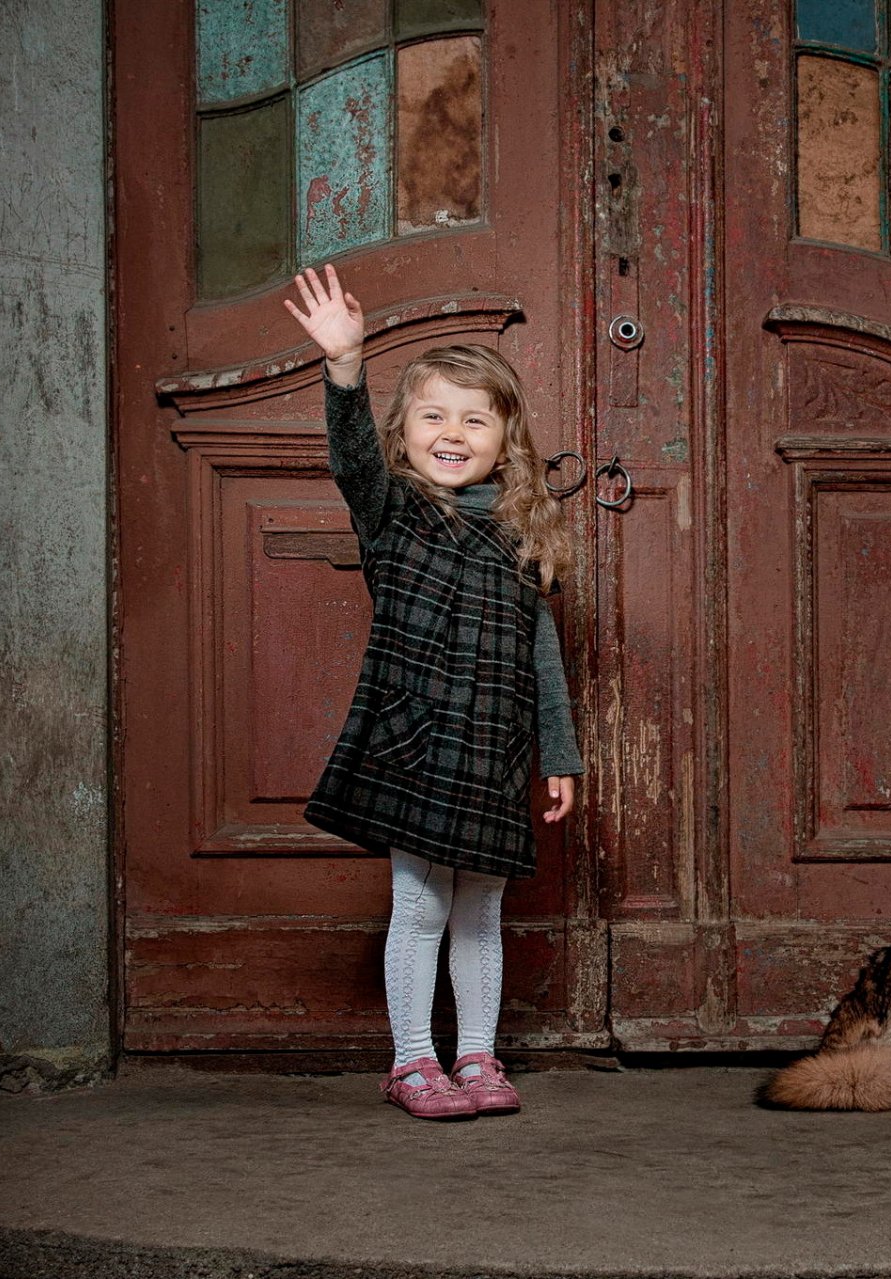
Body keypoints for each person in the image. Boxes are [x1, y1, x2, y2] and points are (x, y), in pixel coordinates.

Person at [285, 264, 583, 1120]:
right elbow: (349, 457)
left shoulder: (521, 531)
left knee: (481, 907)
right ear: (405, 432)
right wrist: (346, 364)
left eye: (473, 418)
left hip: (490, 747)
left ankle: (478, 1058)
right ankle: (414, 1061)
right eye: (433, 416)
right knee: (419, 901)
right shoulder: (392, 512)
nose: (452, 433)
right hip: (415, 738)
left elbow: (542, 654)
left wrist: (557, 752)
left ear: (506, 437)